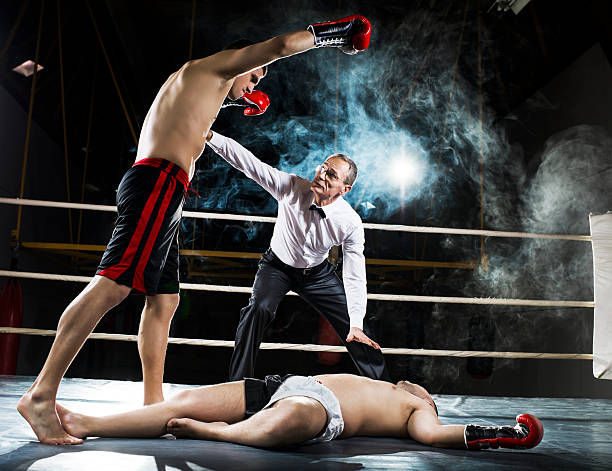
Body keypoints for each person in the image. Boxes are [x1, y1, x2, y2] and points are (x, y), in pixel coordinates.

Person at [17, 15, 374, 445]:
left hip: (166, 190)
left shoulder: (192, 84)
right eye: (254, 76)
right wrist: (333, 36)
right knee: (112, 285)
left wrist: (235, 104)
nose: (253, 86)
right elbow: (279, 46)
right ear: (241, 59)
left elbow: (199, 126)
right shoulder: (215, 67)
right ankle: (41, 394)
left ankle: (153, 406)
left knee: (165, 299)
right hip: (157, 182)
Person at [205, 131, 390, 382]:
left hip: (317, 275)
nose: (321, 174)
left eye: (331, 174)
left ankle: (386, 391)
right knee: (256, 310)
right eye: (323, 167)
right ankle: (238, 385)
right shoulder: (291, 187)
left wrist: (356, 321)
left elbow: (355, 276)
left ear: (344, 189)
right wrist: (212, 137)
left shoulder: (350, 223)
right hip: (276, 268)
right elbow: (249, 164)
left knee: (355, 329)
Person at [53, 373, 544, 451]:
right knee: (181, 399)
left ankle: (220, 435)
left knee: (295, 418)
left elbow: (437, 437)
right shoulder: (387, 381)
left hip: (318, 409)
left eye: (425, 390)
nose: (419, 385)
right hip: (286, 383)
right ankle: (86, 423)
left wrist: (507, 432)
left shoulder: (417, 408)